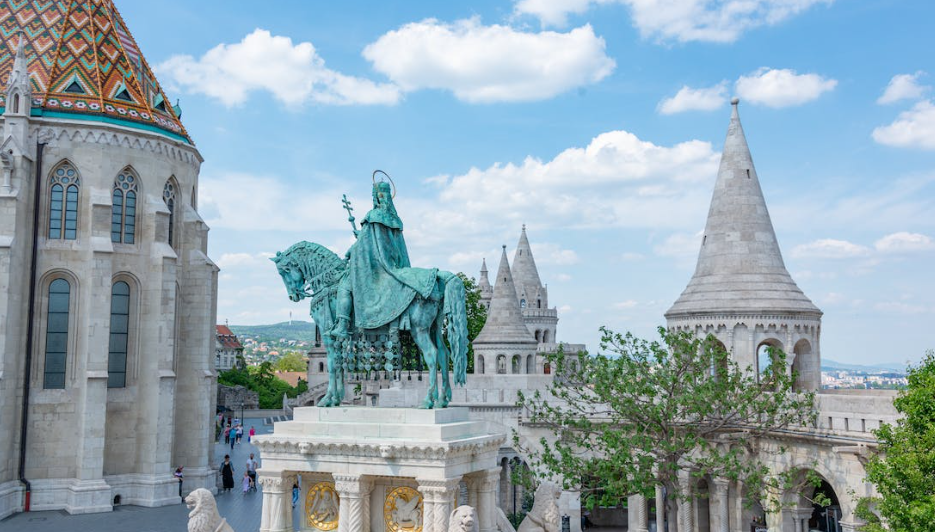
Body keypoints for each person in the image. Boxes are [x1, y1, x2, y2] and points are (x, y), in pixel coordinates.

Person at [326, 180, 436, 339]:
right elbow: (388, 244)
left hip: (374, 266)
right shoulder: (396, 219)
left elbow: (363, 246)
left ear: (375, 196)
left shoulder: (373, 216)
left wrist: (350, 251)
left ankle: (342, 326)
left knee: (345, 285)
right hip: (394, 262)